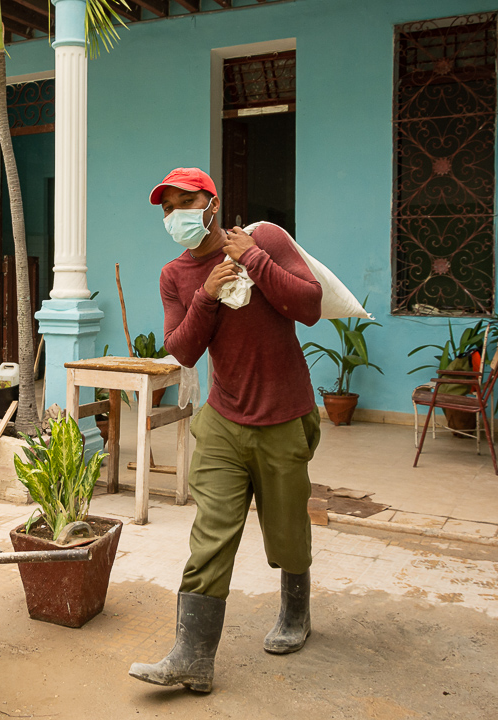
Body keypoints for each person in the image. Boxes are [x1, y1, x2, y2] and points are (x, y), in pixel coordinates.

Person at [129, 168, 323, 694]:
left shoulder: (264, 240)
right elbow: (184, 349)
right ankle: (192, 657)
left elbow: (309, 305)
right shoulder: (175, 274)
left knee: (286, 531)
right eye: (168, 208)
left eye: (185, 202)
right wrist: (207, 295)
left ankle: (296, 613)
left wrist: (253, 261)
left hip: (283, 415)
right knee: (211, 535)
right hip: (222, 420)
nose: (176, 216)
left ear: (211, 203)